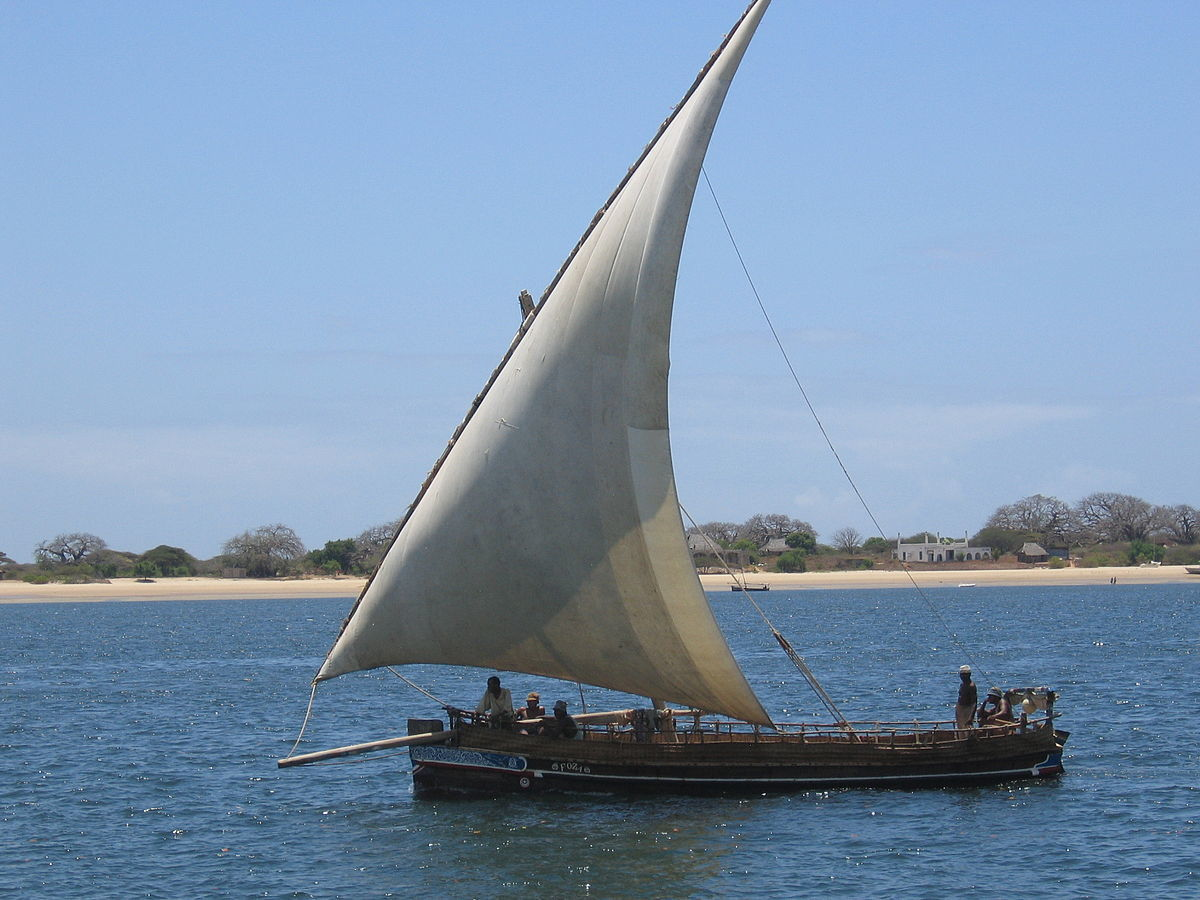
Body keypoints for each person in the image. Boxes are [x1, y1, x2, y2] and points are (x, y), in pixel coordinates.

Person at [955, 665, 977, 730]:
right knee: (960, 728)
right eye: (962, 675)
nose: (963, 677)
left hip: (967, 709)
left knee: (967, 728)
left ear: (969, 674)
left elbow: (974, 703)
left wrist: (971, 717)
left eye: (965, 674)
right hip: (960, 708)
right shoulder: (962, 684)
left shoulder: (971, 686)